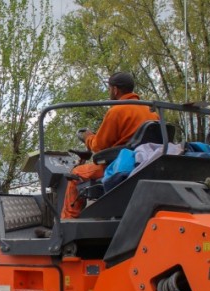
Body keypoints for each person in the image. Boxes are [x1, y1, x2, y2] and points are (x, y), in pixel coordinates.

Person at [61, 72, 159, 219]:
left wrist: (88, 137)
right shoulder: (151, 112)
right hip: (145, 163)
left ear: (115, 89)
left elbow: (98, 146)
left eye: (109, 89)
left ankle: (67, 223)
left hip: (120, 165)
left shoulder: (117, 110)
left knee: (76, 174)